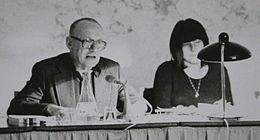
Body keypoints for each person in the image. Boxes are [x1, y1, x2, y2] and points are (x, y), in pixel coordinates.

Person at [7, 17, 146, 117]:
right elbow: (17, 106)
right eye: (87, 42)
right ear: (69, 43)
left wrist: (136, 109)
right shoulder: (46, 70)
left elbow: (137, 102)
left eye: (99, 43)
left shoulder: (111, 69)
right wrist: (49, 109)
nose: (93, 48)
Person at [151, 18, 233, 109]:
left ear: (204, 44)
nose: (193, 48)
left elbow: (229, 109)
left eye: (197, 42)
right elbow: (161, 112)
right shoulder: (166, 70)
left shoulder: (218, 70)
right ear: (178, 48)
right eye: (186, 44)